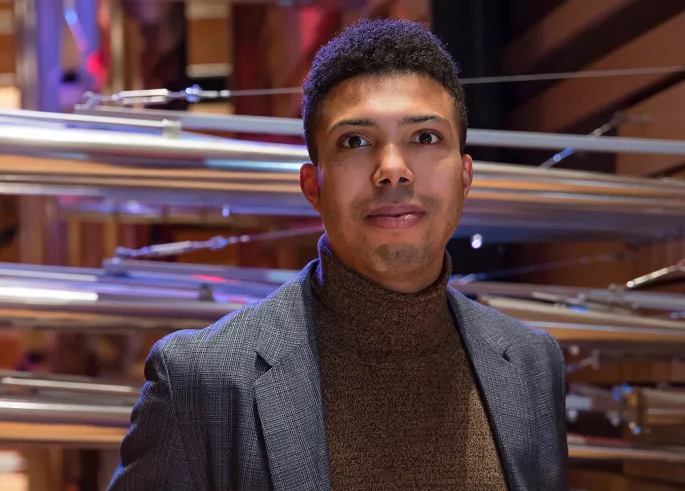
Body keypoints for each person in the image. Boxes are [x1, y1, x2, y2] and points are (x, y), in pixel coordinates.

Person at [107, 18, 567, 491]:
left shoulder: (532, 364)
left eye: (426, 137)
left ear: (465, 177)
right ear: (314, 186)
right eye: (355, 141)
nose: (393, 170)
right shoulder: (200, 381)